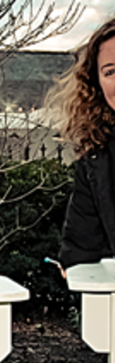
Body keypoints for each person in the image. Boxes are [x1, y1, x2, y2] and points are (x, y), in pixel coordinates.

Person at [46, 17, 115, 270]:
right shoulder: (97, 157)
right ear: (96, 84)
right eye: (110, 71)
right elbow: (81, 248)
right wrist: (74, 270)